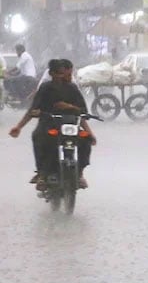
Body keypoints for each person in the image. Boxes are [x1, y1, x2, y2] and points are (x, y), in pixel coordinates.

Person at [9, 59, 96, 190]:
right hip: (48, 123)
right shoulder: (45, 88)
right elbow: (32, 109)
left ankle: (79, 174)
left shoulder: (72, 88)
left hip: (70, 125)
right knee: (38, 137)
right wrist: (19, 127)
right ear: (52, 74)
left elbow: (82, 113)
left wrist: (89, 132)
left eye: (67, 73)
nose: (66, 76)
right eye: (62, 73)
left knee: (85, 140)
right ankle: (42, 174)